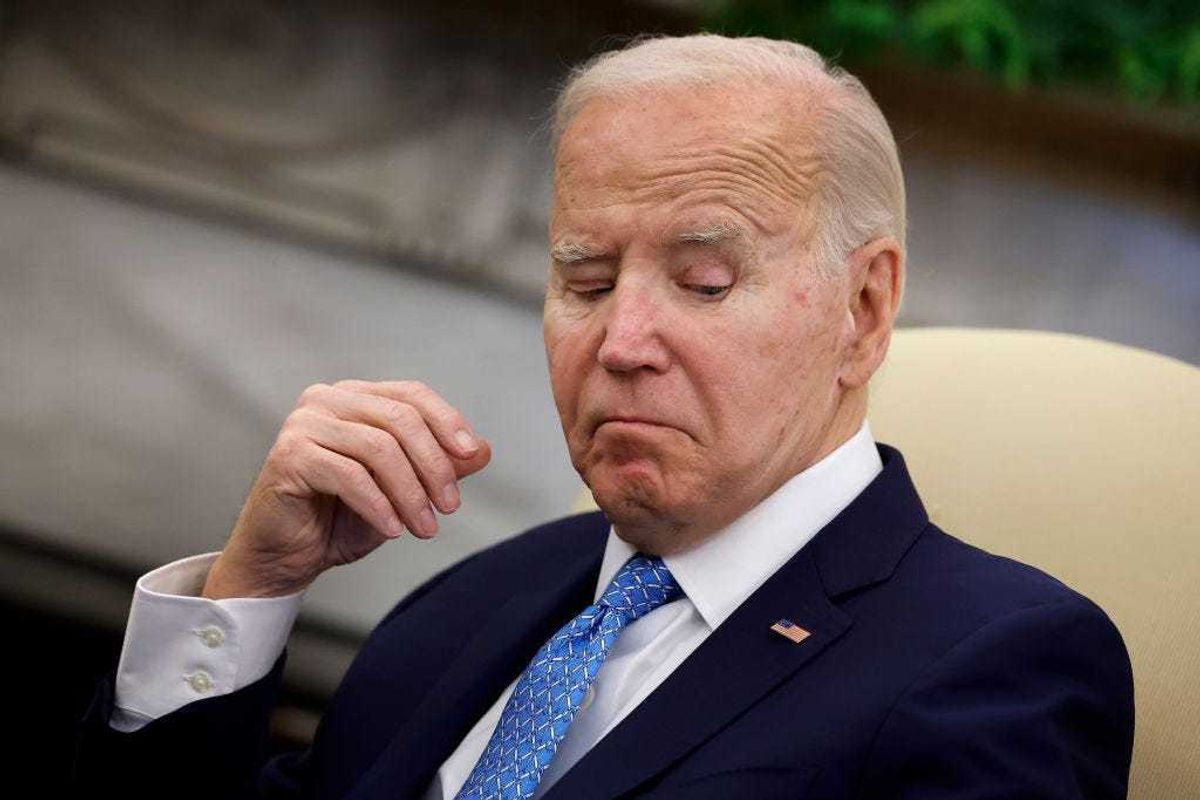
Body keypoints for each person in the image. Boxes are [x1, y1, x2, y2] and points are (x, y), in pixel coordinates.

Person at [74, 34, 1134, 799]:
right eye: (584, 281)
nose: (621, 341)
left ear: (862, 310)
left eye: (706, 282)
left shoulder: (998, 658)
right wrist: (248, 594)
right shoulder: (476, 600)